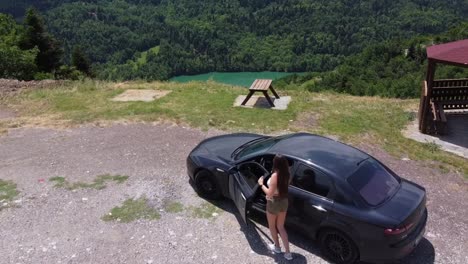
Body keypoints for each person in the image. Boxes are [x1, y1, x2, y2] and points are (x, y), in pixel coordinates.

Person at [258, 154, 293, 260]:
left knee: (272, 226)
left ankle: (277, 248)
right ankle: (288, 253)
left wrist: (261, 184)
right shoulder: (287, 173)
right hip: (284, 201)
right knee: (281, 227)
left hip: (274, 202)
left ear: (276, 163)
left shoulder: (275, 176)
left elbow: (269, 194)